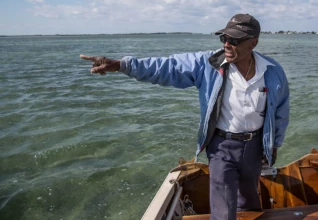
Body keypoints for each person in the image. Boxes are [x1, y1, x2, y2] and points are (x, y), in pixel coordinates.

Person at [80, 13, 289, 219]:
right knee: (224, 210)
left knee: (250, 203)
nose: (227, 44)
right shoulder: (208, 64)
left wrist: (273, 145)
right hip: (222, 146)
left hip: (255, 147)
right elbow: (167, 67)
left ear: (253, 43)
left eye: (234, 40)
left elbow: (280, 110)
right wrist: (121, 65)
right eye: (224, 38)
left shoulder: (272, 71)